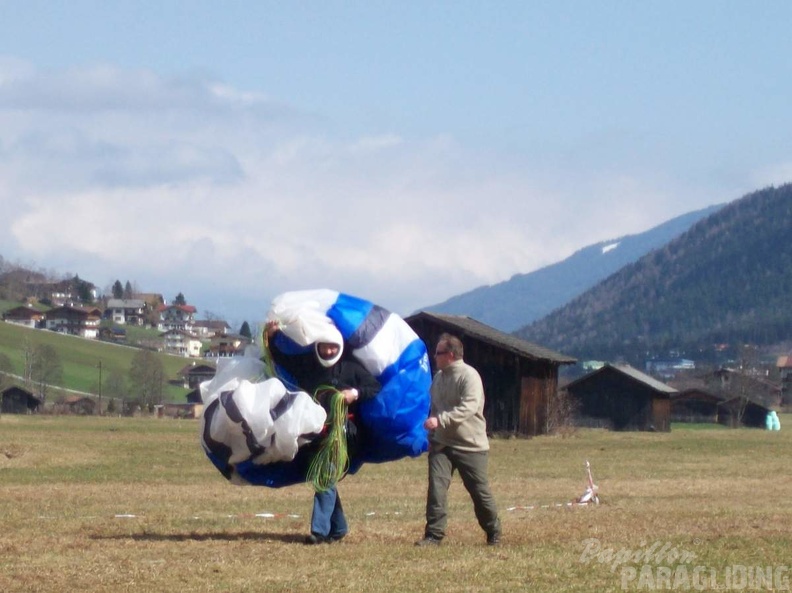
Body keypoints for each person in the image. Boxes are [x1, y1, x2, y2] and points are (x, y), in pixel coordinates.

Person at [265, 321, 381, 545]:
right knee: (321, 477)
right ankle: (338, 528)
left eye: (332, 347)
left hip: (342, 433)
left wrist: (354, 393)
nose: (328, 351)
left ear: (339, 347)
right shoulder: (308, 365)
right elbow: (282, 359)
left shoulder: (351, 368)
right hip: (312, 433)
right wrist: (272, 336)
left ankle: (319, 531)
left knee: (324, 478)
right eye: (324, 347)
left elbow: (374, 387)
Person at [415, 332, 501, 546]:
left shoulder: (469, 376)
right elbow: (434, 408)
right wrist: (432, 434)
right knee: (436, 489)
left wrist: (441, 420)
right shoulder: (439, 378)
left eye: (438, 353)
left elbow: (469, 407)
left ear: (450, 355)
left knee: (479, 491)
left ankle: (494, 531)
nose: (434, 356)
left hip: (470, 445)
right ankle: (433, 535)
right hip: (442, 444)